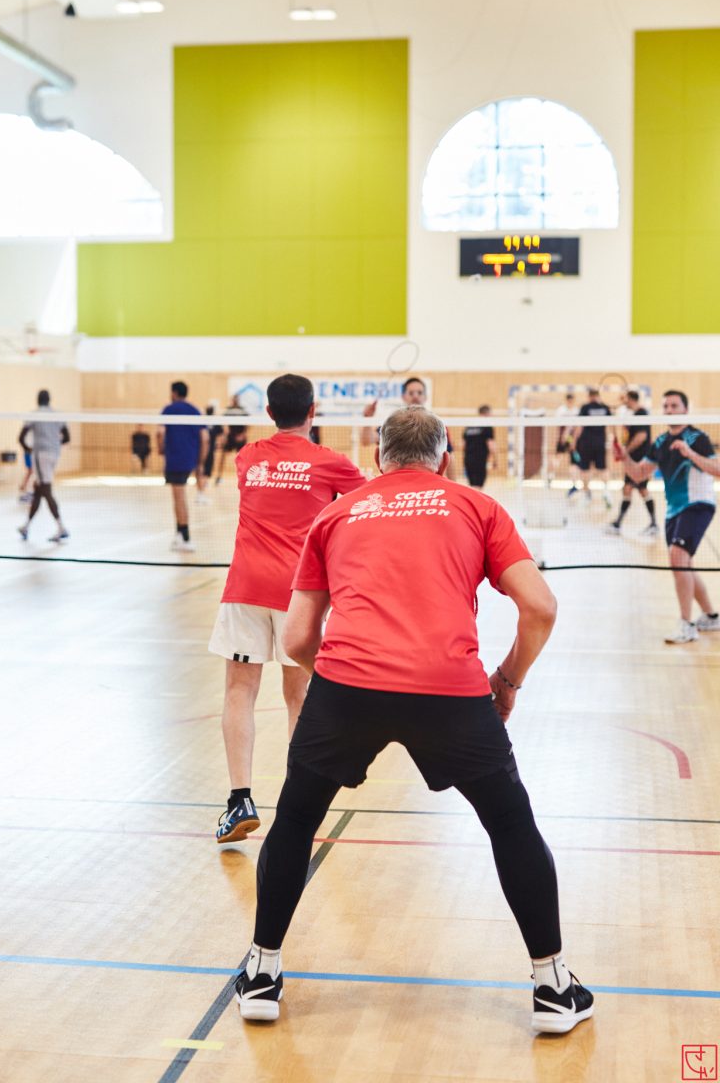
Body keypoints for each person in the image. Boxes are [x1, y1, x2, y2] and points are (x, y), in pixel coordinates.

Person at [233, 406, 594, 1035]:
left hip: (345, 689)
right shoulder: (478, 507)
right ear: (445, 459)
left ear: (377, 459)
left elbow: (295, 639)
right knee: (511, 825)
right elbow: (540, 606)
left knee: (294, 821)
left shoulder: (336, 514)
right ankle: (553, 987)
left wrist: (342, 678)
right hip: (450, 691)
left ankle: (262, 974)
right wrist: (506, 681)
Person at [209, 374, 366, 844]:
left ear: (269, 413)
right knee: (298, 697)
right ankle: (299, 803)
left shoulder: (247, 458)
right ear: (313, 411)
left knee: (239, 691)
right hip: (300, 595)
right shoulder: (330, 463)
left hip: (245, 589)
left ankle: (240, 800)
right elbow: (366, 504)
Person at [622, 389, 720, 644]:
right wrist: (624, 458)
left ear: (685, 409)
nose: (669, 410)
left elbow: (718, 469)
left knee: (678, 558)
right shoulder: (661, 442)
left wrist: (690, 454)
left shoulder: (697, 438)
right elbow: (639, 474)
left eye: (674, 405)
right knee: (682, 564)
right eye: (665, 406)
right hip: (674, 510)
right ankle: (711, 616)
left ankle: (686, 625)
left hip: (698, 504)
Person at [363, 376, 456, 480]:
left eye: (419, 393)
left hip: (427, 481)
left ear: (426, 397)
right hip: (397, 480)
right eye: (411, 393)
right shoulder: (392, 424)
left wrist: (453, 484)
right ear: (403, 397)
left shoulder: (438, 427)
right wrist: (367, 418)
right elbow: (366, 440)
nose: (415, 396)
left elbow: (449, 456)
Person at [157, 381, 208, 551]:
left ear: (174, 393)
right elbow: (205, 438)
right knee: (178, 497)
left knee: (178, 498)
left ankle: (185, 538)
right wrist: (200, 461)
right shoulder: (195, 410)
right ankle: (179, 534)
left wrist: (161, 449)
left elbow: (160, 432)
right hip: (191, 458)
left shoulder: (168, 409)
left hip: (176, 459)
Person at [17, 389, 70, 543]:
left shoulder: (34, 415)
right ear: (49, 400)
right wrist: (54, 444)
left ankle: (61, 527)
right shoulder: (57, 415)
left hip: (40, 455)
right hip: (55, 455)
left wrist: (28, 449)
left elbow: (21, 437)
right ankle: (26, 526)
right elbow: (67, 437)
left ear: (37, 400)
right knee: (38, 489)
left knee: (45, 489)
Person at [606, 389, 657, 537]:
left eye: (626, 399)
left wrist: (626, 451)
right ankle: (620, 523)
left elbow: (642, 436)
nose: (624, 402)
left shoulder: (641, 413)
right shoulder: (633, 414)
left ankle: (651, 524)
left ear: (631, 399)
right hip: (632, 459)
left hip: (640, 459)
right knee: (632, 489)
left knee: (637, 489)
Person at [571, 386, 610, 506]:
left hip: (586, 444)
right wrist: (612, 441)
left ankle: (587, 495)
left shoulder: (585, 407)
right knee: (603, 469)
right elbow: (611, 425)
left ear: (589, 396)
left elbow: (579, 426)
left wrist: (574, 442)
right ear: (597, 395)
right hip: (600, 443)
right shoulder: (605, 408)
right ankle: (606, 492)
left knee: (585, 470)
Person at [214, 395, 249, 484]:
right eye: (233, 399)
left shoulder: (242, 410)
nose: (234, 401)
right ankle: (219, 476)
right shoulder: (228, 410)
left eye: (236, 399)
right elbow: (224, 424)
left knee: (243, 458)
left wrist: (243, 435)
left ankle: (244, 477)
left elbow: (248, 424)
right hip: (230, 437)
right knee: (223, 456)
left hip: (240, 437)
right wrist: (225, 436)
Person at [463, 405, 496, 489]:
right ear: (487, 413)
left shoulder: (469, 426)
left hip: (468, 460)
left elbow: (463, 445)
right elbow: (490, 445)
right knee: (478, 486)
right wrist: (495, 459)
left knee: (472, 485)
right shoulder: (487, 426)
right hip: (480, 460)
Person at [554, 391, 580, 491]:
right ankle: (550, 477)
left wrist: (574, 440)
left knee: (574, 461)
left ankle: (574, 483)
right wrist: (561, 437)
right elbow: (558, 426)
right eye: (569, 400)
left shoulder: (576, 411)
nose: (570, 402)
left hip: (573, 439)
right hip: (562, 439)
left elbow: (577, 427)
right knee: (558, 457)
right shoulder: (561, 410)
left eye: (572, 400)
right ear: (567, 400)